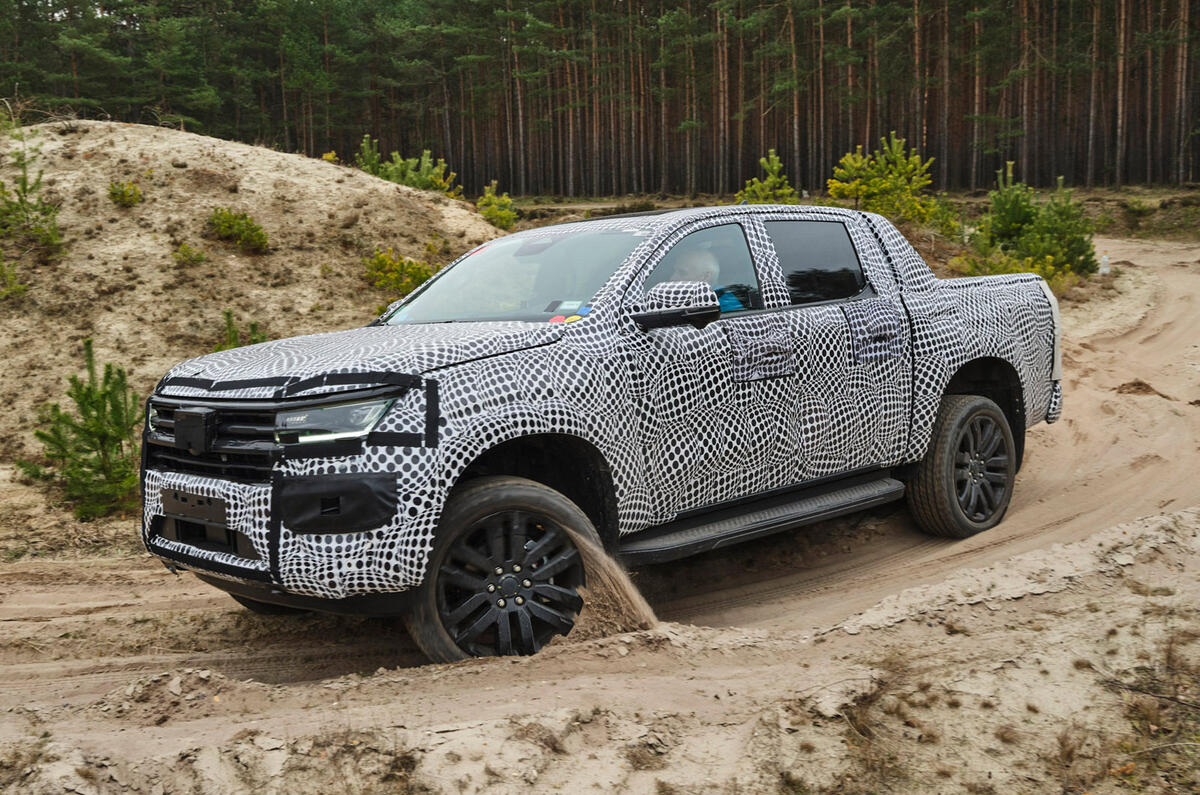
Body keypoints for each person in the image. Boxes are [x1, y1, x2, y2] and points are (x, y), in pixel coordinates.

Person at [669, 249, 745, 312]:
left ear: (705, 277)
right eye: (674, 271)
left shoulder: (725, 304)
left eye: (682, 273)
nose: (672, 278)